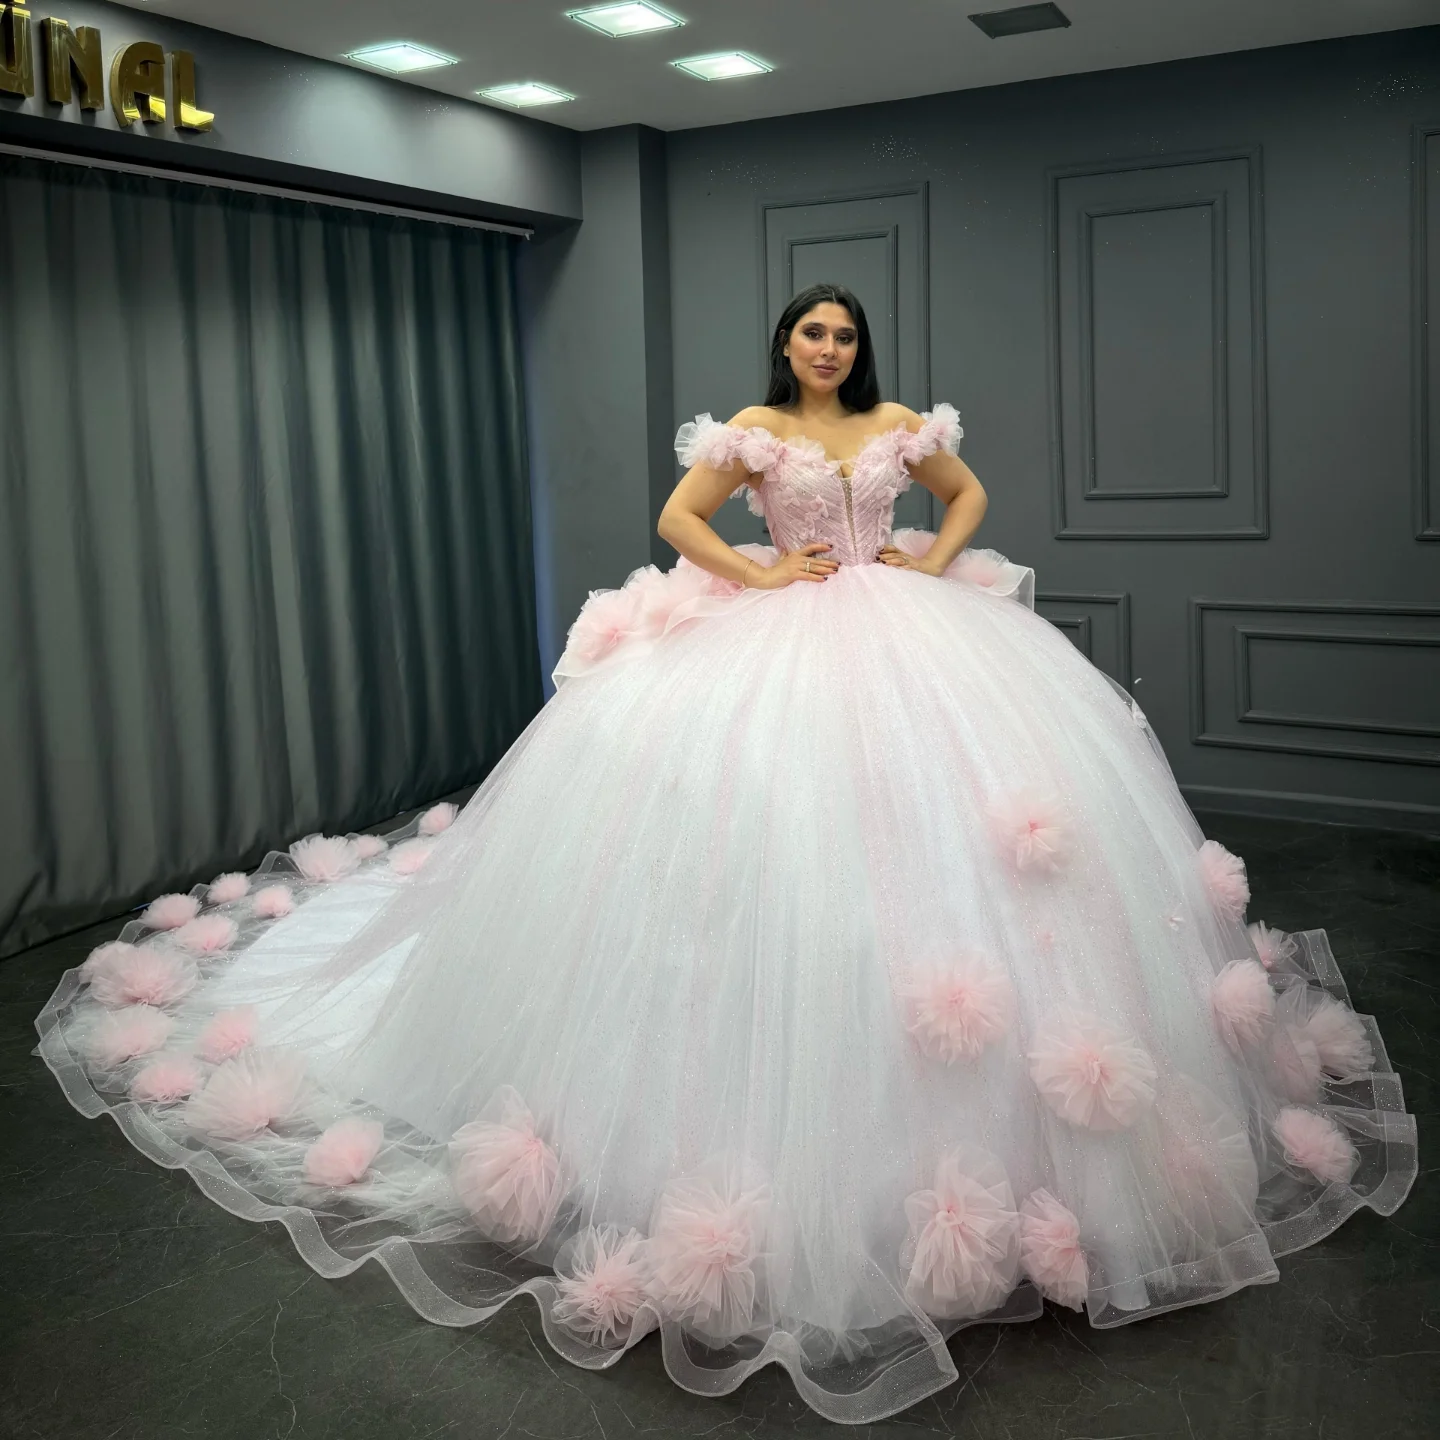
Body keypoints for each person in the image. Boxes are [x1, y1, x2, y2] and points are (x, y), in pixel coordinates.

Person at [35, 281, 1416, 1426]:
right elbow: (680, 523)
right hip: (781, 638)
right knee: (764, 851)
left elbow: (968, 491)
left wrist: (924, 562)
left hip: (912, 629)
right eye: (812, 333)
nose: (830, 349)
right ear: (784, 345)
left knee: (961, 838)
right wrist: (760, 576)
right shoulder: (754, 432)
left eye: (843, 333)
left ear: (860, 346)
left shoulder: (895, 426)